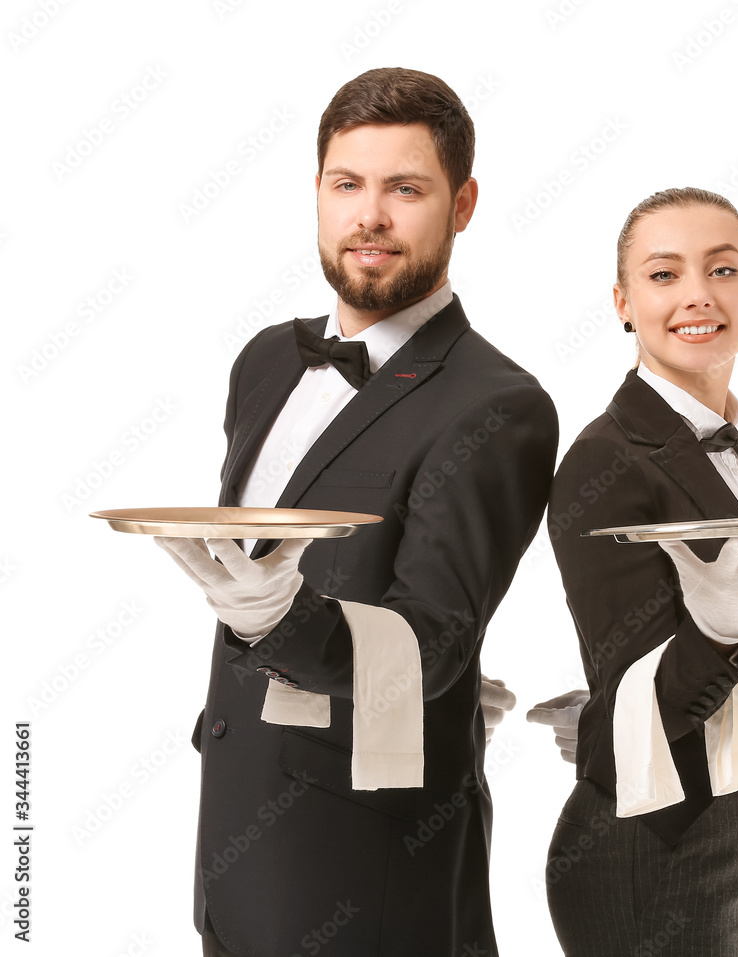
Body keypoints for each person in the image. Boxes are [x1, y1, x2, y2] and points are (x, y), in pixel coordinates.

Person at [155, 67, 558, 957]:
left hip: (373, 868)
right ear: (318, 193)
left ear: (463, 205)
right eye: (349, 184)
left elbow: (435, 642)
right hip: (232, 834)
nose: (369, 216)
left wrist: (283, 622)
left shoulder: (501, 405)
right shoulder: (264, 361)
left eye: (405, 189)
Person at [540, 187, 738, 956]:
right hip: (667, 838)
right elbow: (653, 684)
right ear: (623, 301)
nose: (697, 295)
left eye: (721, 269)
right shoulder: (606, 459)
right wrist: (713, 632)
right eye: (663, 274)